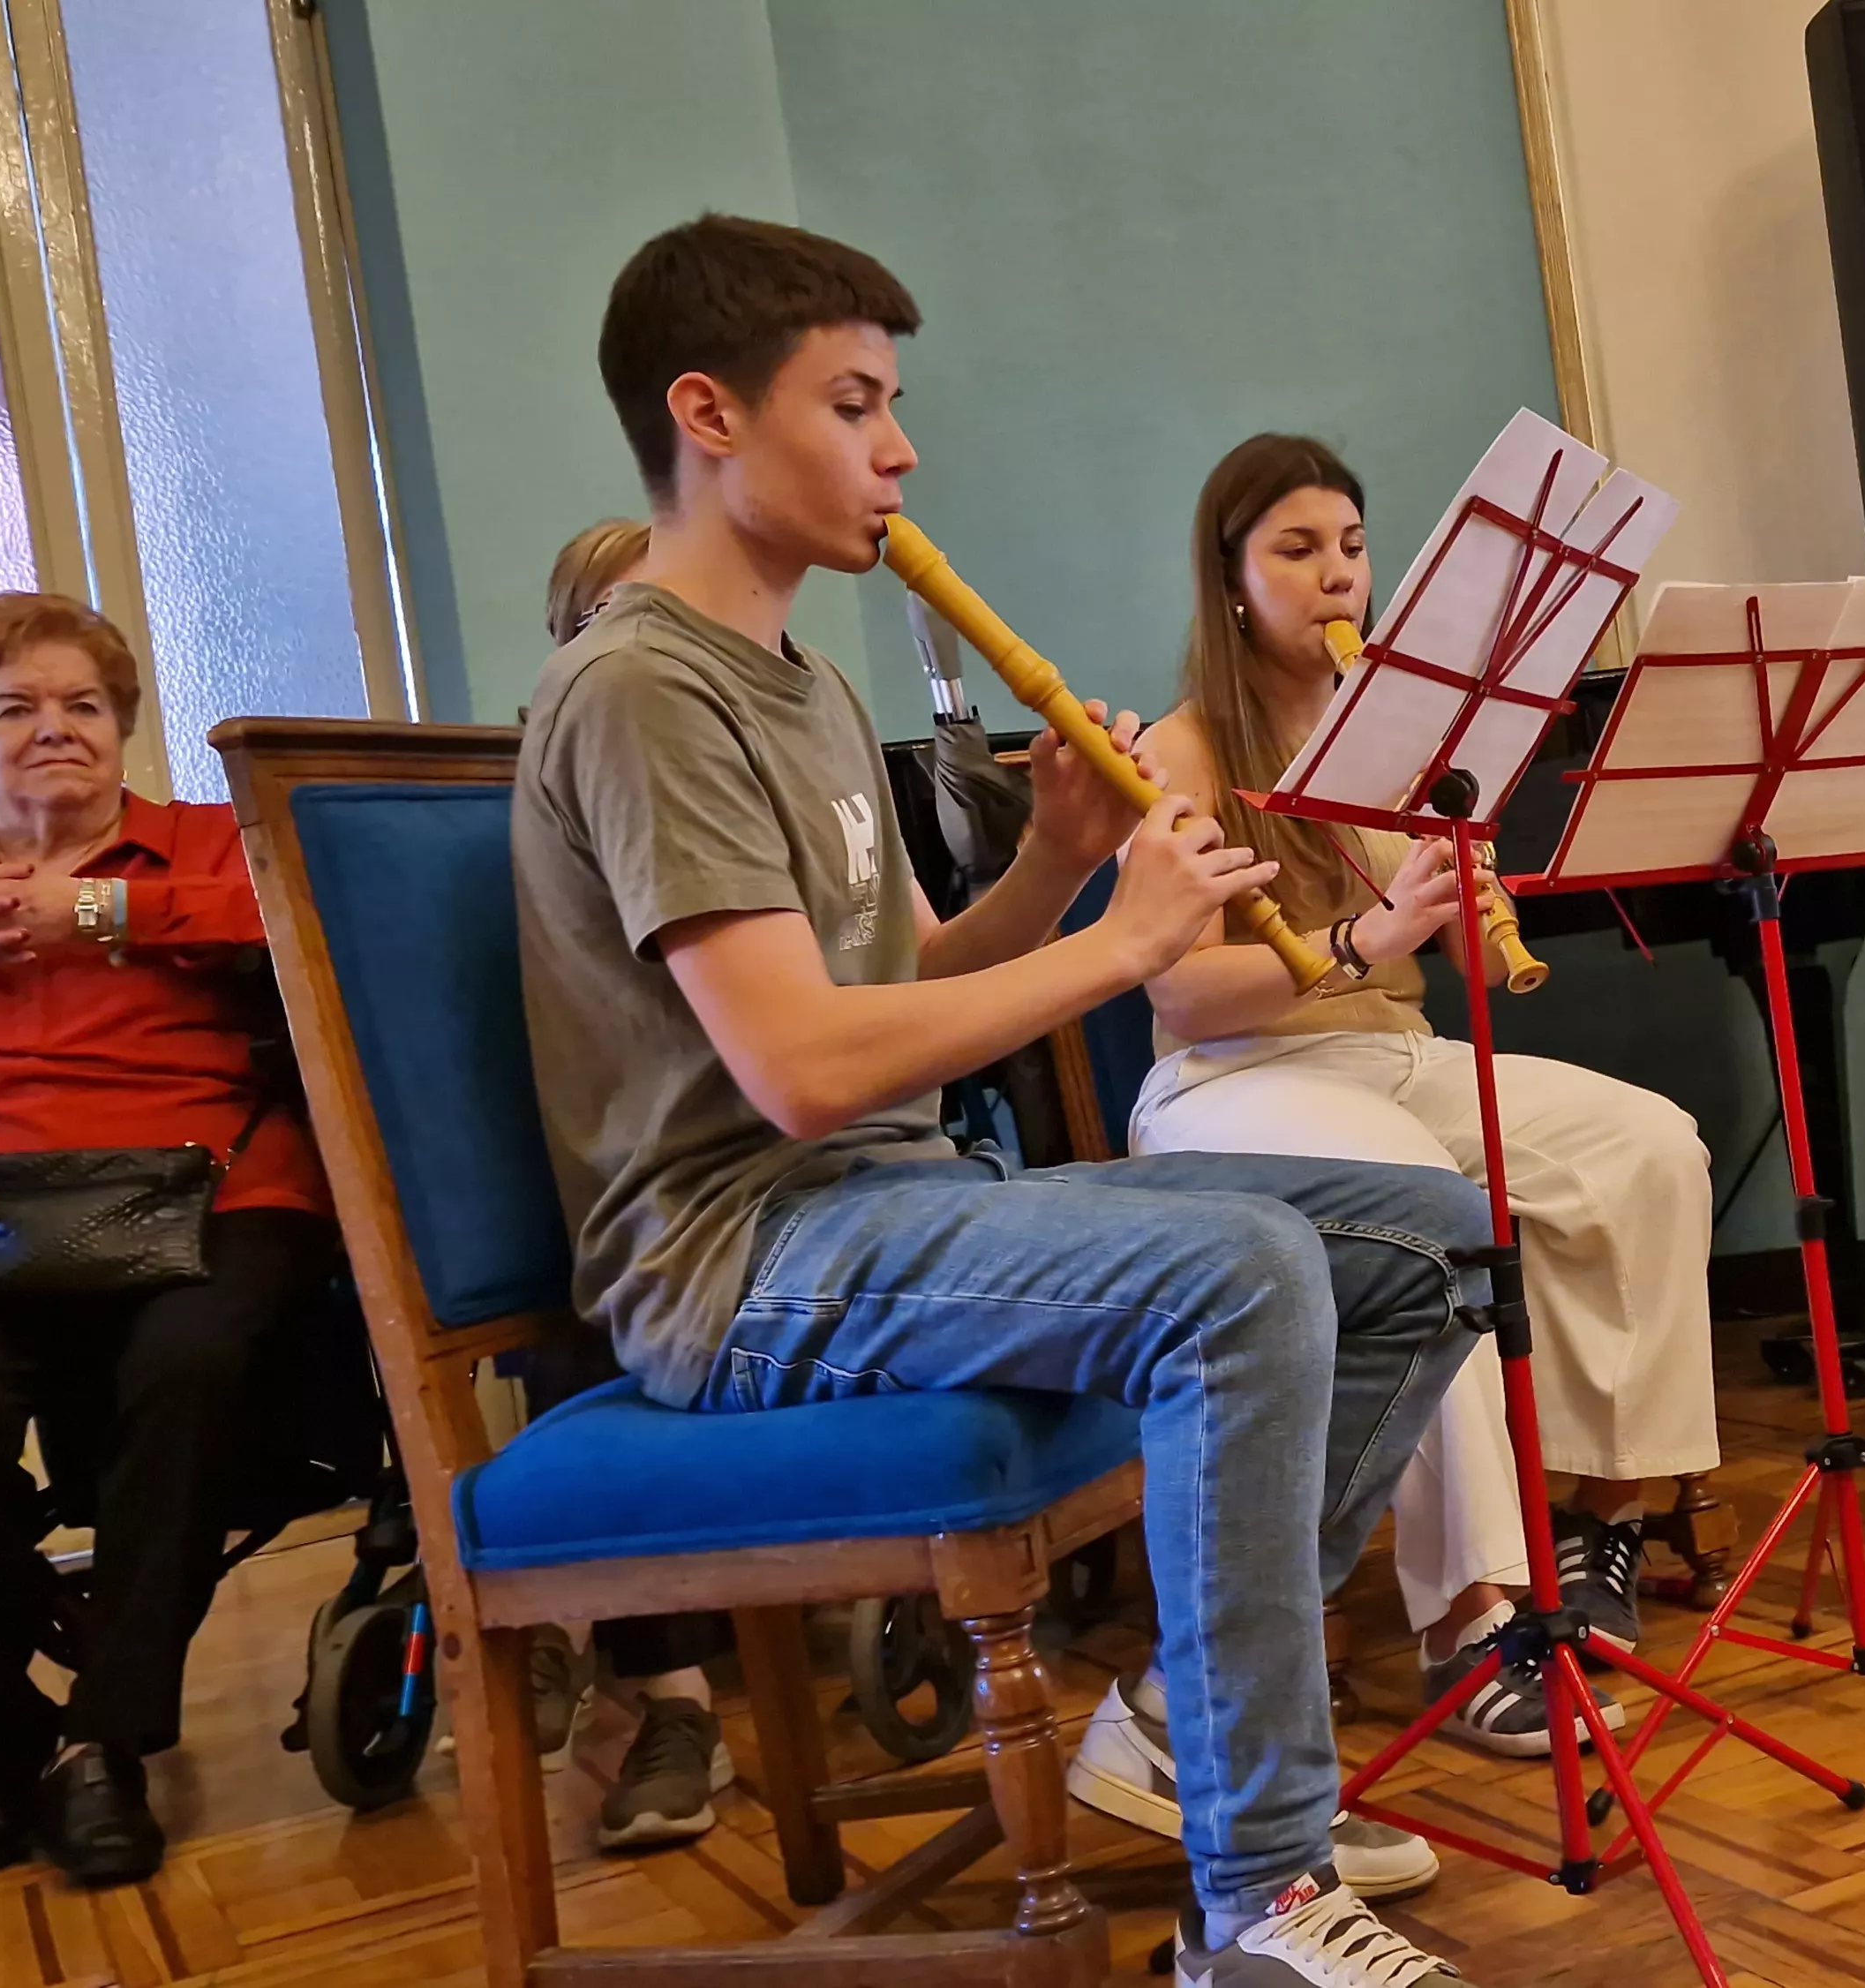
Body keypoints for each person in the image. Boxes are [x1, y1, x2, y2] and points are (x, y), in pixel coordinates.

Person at [517, 214, 1485, 1986]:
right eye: (855, 404)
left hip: (877, 1201)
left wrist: (1051, 869)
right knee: (1246, 1267)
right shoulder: (643, 686)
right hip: (737, 1260)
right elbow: (800, 1072)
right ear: (707, 416)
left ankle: (1202, 1737)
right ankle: (1258, 1901)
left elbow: (902, 991)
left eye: (895, 405)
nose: (900, 452)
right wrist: (1123, 948)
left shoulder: (801, 684)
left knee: (1426, 1239)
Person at [1113, 434, 1717, 1764]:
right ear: (1229, 582)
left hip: (1388, 1055)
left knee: (1646, 1146)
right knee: (1428, 1215)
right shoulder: (1184, 748)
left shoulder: (1400, 733)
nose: (1337, 577)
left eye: (1350, 545)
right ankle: (1470, 1620)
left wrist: (1462, 891)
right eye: (1296, 550)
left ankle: (1600, 1519)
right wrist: (1370, 936)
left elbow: (1445, 965)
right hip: (1236, 1080)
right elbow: (1180, 997)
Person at [0, 592, 338, 1886]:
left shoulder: (209, 846)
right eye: (18, 709)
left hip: (213, 1205)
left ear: (122, 729)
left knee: (193, 1368)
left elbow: (314, 921)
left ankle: (104, 1746)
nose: (57, 729)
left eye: (85, 706)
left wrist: (104, 917)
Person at [515, 514, 743, 1852]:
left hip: (758, 1154)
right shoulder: (578, 754)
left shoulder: (759, 750)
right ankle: (669, 1692)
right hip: (633, 1187)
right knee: (582, 1320)